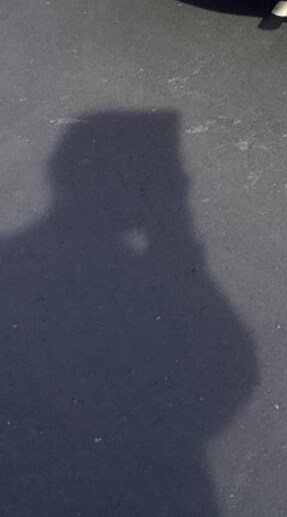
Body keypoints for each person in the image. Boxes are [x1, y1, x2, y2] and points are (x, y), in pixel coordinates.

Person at [0, 111, 259, 517]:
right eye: (165, 175)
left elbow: (229, 372)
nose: (182, 185)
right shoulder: (135, 281)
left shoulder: (135, 274)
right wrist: (174, 236)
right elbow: (228, 372)